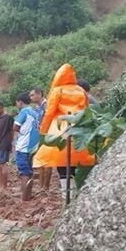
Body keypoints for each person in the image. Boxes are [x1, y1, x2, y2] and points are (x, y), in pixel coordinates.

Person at [33, 64, 96, 198]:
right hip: (79, 129)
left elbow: (49, 113)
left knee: (62, 165)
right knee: (74, 164)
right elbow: (86, 111)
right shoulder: (81, 90)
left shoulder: (57, 91)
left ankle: (66, 198)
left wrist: (43, 132)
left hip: (60, 129)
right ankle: (75, 195)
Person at [14, 93, 40, 201]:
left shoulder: (24, 111)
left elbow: (15, 126)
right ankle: (28, 195)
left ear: (20, 102)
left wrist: (21, 132)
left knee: (24, 172)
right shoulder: (35, 112)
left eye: (17, 103)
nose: (17, 105)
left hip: (23, 146)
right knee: (29, 171)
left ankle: (24, 198)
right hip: (32, 146)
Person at [30, 87, 52, 191]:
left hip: (48, 136)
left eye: (32, 95)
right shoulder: (38, 108)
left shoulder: (47, 105)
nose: (31, 97)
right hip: (40, 136)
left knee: (47, 162)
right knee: (41, 161)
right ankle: (41, 186)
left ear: (39, 94)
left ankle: (46, 187)